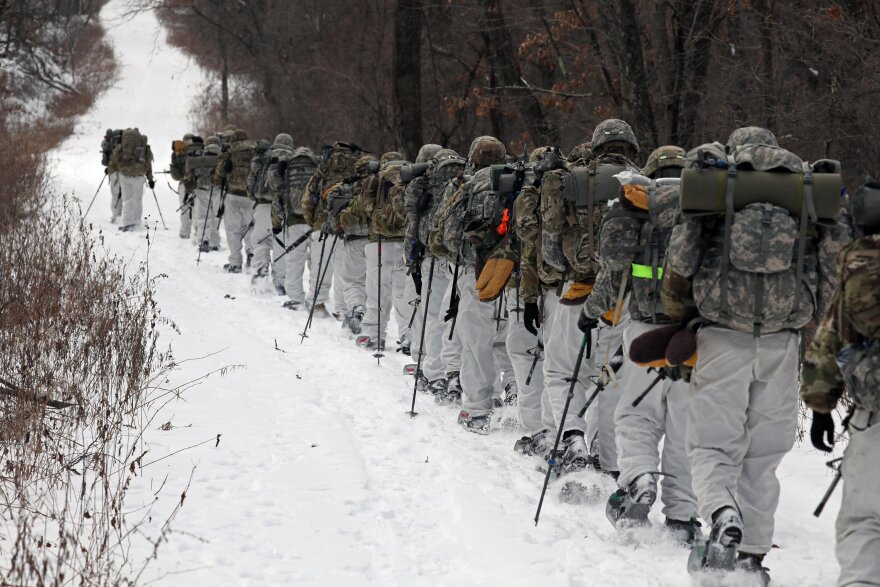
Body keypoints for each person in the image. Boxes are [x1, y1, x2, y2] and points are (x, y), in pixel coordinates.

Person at [662, 127, 846, 583]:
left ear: (737, 147)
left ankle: (722, 513)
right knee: (763, 457)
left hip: (722, 337)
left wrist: (679, 317)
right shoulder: (803, 190)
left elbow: (681, 261)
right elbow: (830, 269)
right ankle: (752, 557)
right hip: (782, 341)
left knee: (711, 445)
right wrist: (814, 334)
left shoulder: (719, 181)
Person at [586, 145, 700, 544]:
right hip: (692, 338)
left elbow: (612, 273)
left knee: (636, 415)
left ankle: (639, 480)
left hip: (644, 330)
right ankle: (684, 515)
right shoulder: (705, 209)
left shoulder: (638, 208)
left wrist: (591, 311)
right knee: (686, 426)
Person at [802, 178, 876, 587]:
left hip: (874, 419)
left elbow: (827, 343)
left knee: (864, 521)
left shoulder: (860, 270)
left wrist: (820, 410)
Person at [429, 136, 508, 433]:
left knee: (475, 343)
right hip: (511, 274)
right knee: (508, 341)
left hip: (474, 273)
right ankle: (511, 395)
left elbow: (446, 234)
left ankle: (477, 409)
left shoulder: (465, 186)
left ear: (472, 158)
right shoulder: (519, 182)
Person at [405, 147, 465, 399]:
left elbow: (412, 223)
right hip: (456, 257)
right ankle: (455, 373)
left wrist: (412, 257)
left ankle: (433, 373)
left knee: (431, 316)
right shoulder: (463, 176)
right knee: (452, 318)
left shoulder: (422, 183)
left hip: (430, 257)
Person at [356, 152, 416, 352]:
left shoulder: (376, 178)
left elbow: (365, 208)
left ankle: (374, 335)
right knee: (403, 292)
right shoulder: (411, 175)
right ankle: (409, 336)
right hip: (406, 242)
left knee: (376, 290)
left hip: (379, 241)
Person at [302, 142, 364, 318]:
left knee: (320, 268)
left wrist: (312, 222)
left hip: (322, 226)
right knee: (344, 270)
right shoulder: (358, 167)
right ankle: (343, 310)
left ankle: (317, 304)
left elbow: (308, 198)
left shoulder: (324, 168)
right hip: (346, 227)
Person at [267, 135, 317, 310]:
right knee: (316, 262)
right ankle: (316, 300)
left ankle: (296, 299)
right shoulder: (317, 166)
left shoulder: (287, 167)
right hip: (315, 222)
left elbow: (278, 197)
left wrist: (276, 223)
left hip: (294, 222)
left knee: (294, 263)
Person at [213, 129, 256, 273]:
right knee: (251, 226)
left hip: (232, 196)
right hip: (251, 196)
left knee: (233, 229)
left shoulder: (229, 152)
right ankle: (251, 253)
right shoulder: (255, 150)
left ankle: (236, 263)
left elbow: (218, 177)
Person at [249, 139, 287, 294]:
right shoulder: (291, 157)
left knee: (261, 241)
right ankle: (280, 282)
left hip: (264, 205)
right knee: (281, 245)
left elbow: (251, 183)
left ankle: (261, 270)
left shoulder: (263, 157)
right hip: (284, 207)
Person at [109, 127, 154, 232]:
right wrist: (150, 178)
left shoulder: (122, 146)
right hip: (139, 175)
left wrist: (111, 170)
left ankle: (128, 223)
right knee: (138, 199)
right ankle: (137, 221)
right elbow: (148, 162)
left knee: (127, 199)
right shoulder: (144, 146)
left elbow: (115, 159)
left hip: (125, 175)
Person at [186, 136, 222, 251]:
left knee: (202, 217)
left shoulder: (199, 157)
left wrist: (189, 192)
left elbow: (190, 175)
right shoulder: (221, 157)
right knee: (216, 216)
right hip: (217, 189)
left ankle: (203, 241)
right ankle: (214, 242)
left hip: (201, 189)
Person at [101, 128, 123, 223]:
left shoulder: (107, 145)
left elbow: (105, 162)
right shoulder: (122, 145)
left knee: (115, 195)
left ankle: (115, 216)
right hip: (124, 172)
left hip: (113, 172)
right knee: (122, 195)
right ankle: (121, 215)